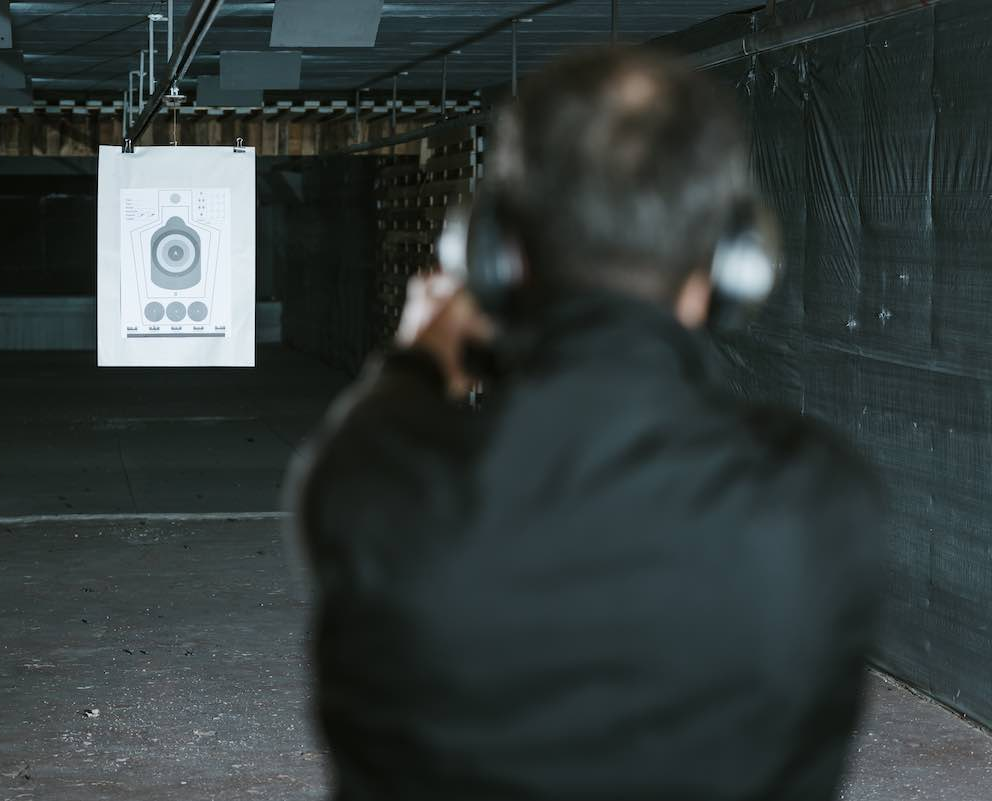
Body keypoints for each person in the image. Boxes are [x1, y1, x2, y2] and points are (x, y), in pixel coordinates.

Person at [289, 46, 881, 801]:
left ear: (497, 256)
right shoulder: (821, 496)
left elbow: (377, 425)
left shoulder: (378, 479)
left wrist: (421, 356)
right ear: (733, 264)